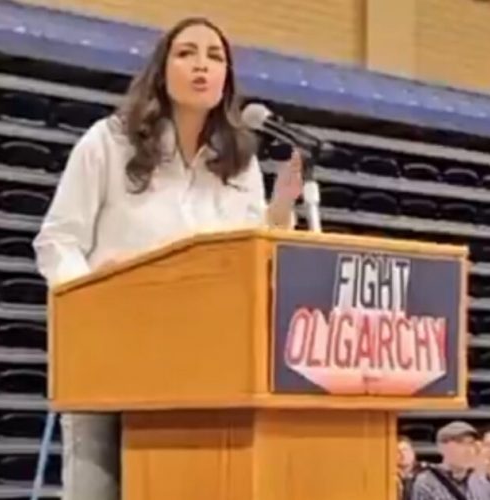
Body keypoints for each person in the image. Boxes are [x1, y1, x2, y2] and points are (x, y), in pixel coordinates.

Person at [33, 17, 303, 500]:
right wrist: (88, 296)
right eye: (186, 53)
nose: (202, 65)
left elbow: (249, 256)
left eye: (215, 57)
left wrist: (280, 210)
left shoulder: (240, 163)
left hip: (208, 365)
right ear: (161, 70)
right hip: (112, 354)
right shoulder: (108, 142)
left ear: (227, 80)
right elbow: (57, 241)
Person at [411, 421, 490, 500]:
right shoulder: (427, 483)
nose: (468, 450)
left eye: (471, 443)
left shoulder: (482, 484)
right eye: (461, 443)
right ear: (442, 447)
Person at [398, 435, 424, 500]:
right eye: (398, 451)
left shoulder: (426, 474)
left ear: (413, 453)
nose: (403, 454)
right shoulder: (387, 477)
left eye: (405, 450)